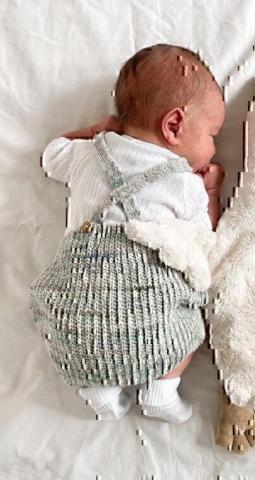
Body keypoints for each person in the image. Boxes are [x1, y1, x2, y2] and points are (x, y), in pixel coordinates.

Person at [30, 44, 225, 423]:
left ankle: (99, 394)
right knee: (189, 325)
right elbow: (202, 243)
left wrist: (93, 131)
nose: (214, 146)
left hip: (79, 316)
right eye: (211, 134)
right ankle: (161, 390)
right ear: (174, 126)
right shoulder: (184, 183)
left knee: (73, 337)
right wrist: (212, 192)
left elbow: (51, 155)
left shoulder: (88, 153)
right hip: (151, 315)